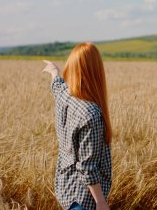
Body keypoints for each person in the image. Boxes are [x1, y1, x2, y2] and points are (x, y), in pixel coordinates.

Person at [42, 42, 112, 210]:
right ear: (96, 71)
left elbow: (57, 85)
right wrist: (101, 202)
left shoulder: (65, 95)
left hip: (65, 187)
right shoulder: (91, 113)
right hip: (84, 197)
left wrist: (53, 70)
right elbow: (87, 166)